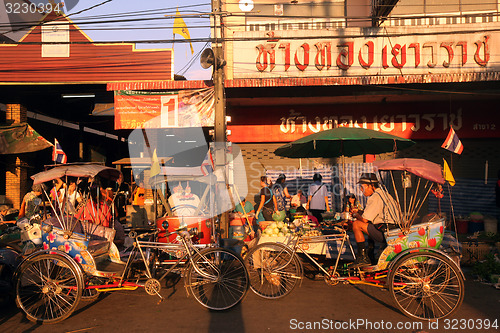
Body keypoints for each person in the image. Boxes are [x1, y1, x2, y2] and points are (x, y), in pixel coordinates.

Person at [350, 173, 399, 268]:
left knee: (356, 224)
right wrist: (360, 211)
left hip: (386, 232)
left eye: (362, 187)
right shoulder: (384, 194)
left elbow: (364, 220)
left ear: (371, 186)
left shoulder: (375, 197)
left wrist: (356, 214)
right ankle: (370, 255)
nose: (361, 190)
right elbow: (371, 215)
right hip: (393, 230)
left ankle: (363, 258)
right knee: (370, 225)